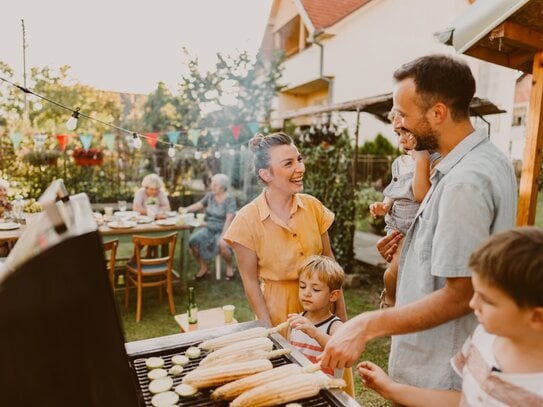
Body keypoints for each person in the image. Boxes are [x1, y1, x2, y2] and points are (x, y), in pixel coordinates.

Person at [320, 54, 517, 392]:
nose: (397, 123)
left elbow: (460, 294)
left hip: (440, 375)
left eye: (404, 114)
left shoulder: (465, 182)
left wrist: (367, 324)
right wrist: (410, 248)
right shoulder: (482, 160)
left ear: (438, 113)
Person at [223, 132, 354, 396]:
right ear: (266, 174)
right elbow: (249, 281)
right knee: (289, 388)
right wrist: (270, 331)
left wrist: (341, 318)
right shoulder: (246, 220)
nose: (300, 168)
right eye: (288, 163)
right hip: (279, 312)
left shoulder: (314, 207)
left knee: (331, 384)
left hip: (323, 312)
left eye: (299, 159)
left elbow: (331, 265)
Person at [357, 227, 543, 406]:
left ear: (536, 317)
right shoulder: (482, 339)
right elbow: (464, 400)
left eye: (487, 300)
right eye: (476, 293)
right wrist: (391, 389)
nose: (472, 304)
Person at [369, 124, 438, 308]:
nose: (401, 139)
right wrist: (385, 205)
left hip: (416, 225)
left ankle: (396, 300)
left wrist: (420, 160)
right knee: (397, 267)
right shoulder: (399, 163)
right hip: (397, 224)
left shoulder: (432, 161)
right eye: (398, 134)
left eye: (407, 132)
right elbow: (394, 189)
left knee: (405, 270)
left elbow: (422, 195)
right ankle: (390, 300)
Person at [288, 255, 345, 378]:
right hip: (299, 386)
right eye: (302, 286)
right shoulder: (297, 321)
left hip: (326, 390)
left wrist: (316, 333)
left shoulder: (335, 326)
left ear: (333, 296)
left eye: (316, 289)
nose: (307, 293)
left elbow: (342, 351)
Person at [180, 173, 237, 280]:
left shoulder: (229, 199)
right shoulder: (210, 196)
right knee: (193, 241)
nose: (212, 187)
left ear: (222, 187)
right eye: (212, 184)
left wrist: (223, 236)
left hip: (224, 228)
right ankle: (203, 267)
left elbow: (229, 219)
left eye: (215, 185)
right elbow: (198, 205)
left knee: (223, 245)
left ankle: (229, 268)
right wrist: (185, 209)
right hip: (209, 227)